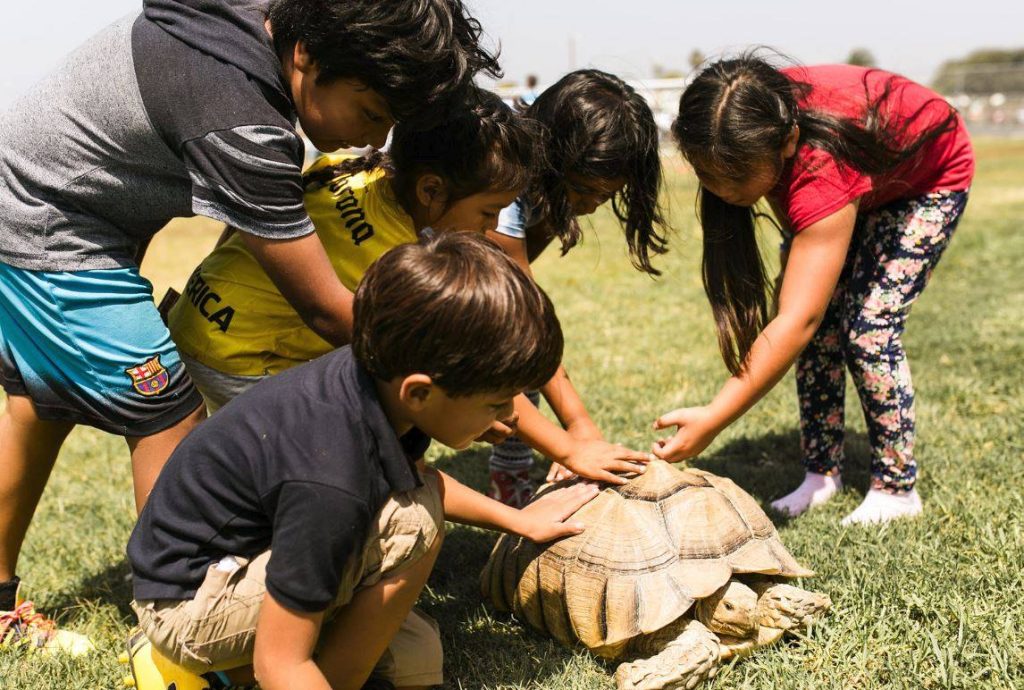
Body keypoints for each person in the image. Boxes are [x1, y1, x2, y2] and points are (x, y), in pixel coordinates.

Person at [0, 0, 500, 650]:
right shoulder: (242, 121)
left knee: (40, 408)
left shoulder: (270, 20)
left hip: (50, 197)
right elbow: (327, 310)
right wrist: (456, 376)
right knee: (166, 411)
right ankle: (179, 618)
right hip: (49, 220)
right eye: (372, 113)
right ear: (306, 59)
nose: (376, 141)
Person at [122, 232, 598, 690]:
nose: (512, 416)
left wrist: (519, 521)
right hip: (189, 605)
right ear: (420, 392)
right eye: (496, 403)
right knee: (412, 525)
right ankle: (207, 672)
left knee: (416, 656)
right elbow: (280, 662)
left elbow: (419, 481)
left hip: (248, 556)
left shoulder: (377, 383)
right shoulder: (331, 481)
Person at [656, 55, 974, 526]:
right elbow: (807, 315)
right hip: (859, 179)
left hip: (926, 182)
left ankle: (896, 488)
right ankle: (821, 474)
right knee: (822, 325)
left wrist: (714, 417)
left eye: (735, 177)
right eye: (708, 175)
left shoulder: (822, 161)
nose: (722, 190)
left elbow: (795, 321)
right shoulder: (748, 123)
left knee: (869, 327)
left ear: (787, 142)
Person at [167, 90, 539, 410]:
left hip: (191, 318)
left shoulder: (342, 167)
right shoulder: (396, 258)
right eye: (488, 212)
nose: (491, 228)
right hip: (239, 358)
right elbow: (404, 359)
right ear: (430, 190)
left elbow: (248, 222)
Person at [485, 69, 670, 507]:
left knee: (523, 346)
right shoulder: (503, 180)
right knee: (510, 340)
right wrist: (577, 429)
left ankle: (511, 472)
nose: (588, 206)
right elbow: (520, 314)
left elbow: (525, 301)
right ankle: (510, 483)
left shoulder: (550, 180)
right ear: (553, 157)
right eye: (584, 190)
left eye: (604, 198)